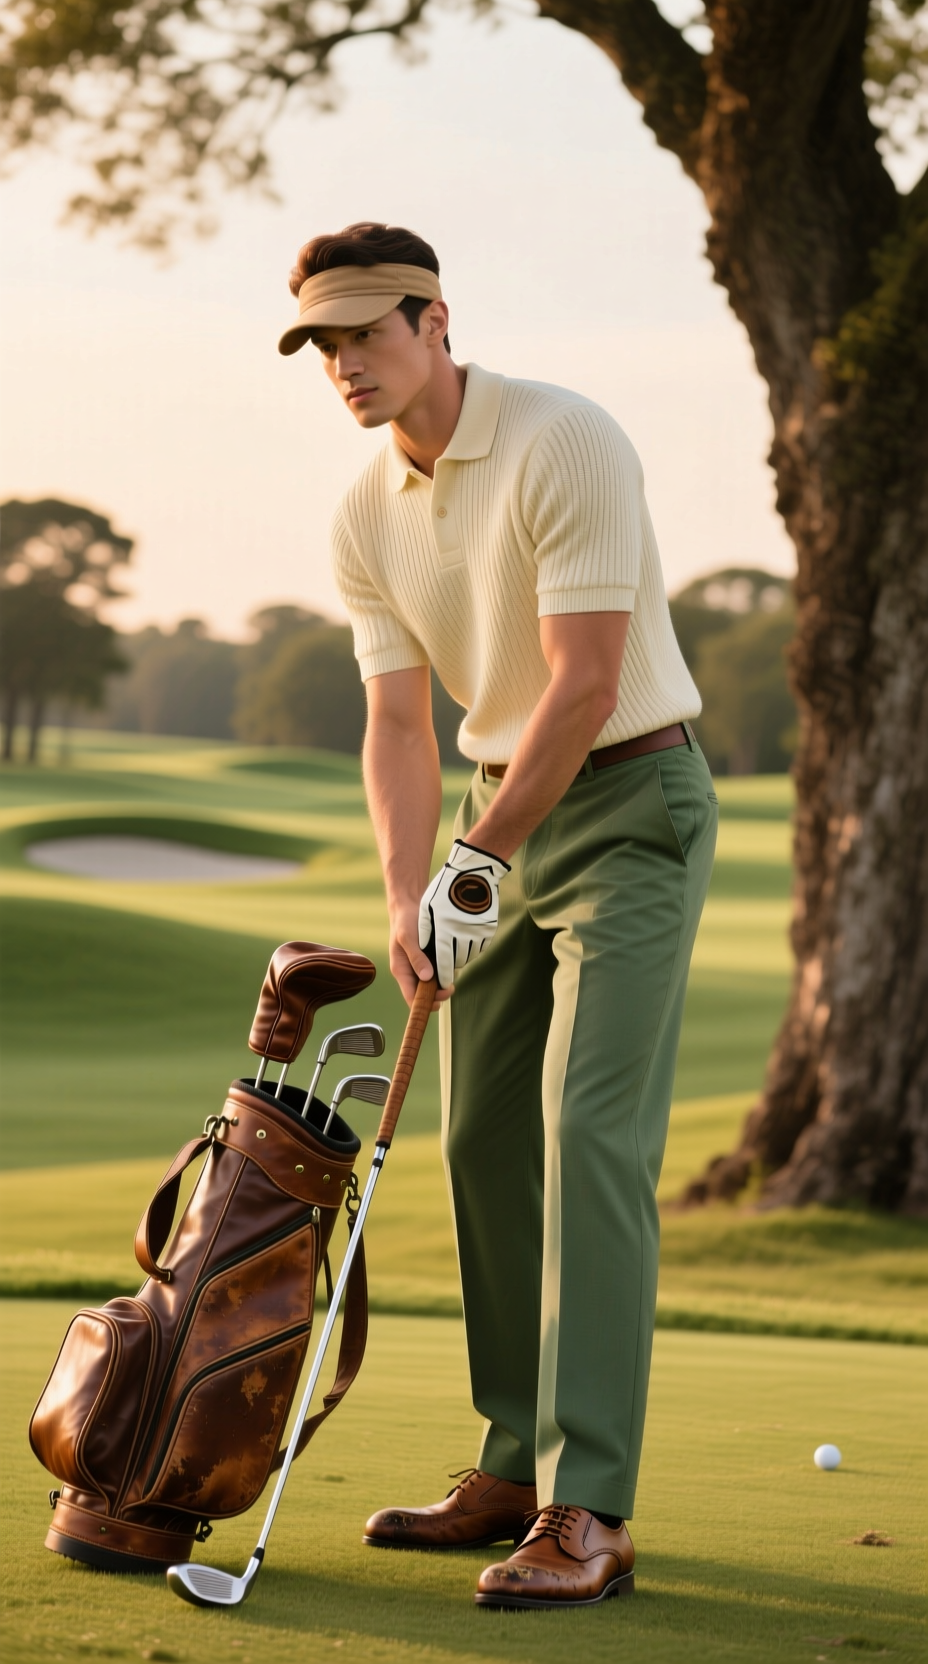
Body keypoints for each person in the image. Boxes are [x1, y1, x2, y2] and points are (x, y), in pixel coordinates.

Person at [278, 221, 717, 1610]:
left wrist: (480, 857)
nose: (347, 364)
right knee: (478, 1137)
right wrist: (414, 892)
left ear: (436, 321)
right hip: (495, 820)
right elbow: (398, 723)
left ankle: (591, 1506)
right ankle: (516, 1463)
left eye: (367, 333)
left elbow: (584, 684)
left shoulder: (562, 439)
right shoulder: (363, 511)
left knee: (588, 1130)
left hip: (632, 806)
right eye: (323, 344)